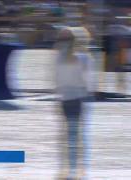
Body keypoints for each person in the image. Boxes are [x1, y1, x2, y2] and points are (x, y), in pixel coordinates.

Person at [55, 26, 94, 180]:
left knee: (67, 136)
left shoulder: (59, 57)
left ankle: (69, 170)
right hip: (78, 99)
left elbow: (57, 80)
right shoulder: (84, 57)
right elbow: (88, 82)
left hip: (66, 99)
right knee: (78, 136)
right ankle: (78, 170)